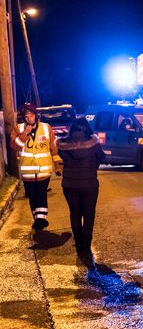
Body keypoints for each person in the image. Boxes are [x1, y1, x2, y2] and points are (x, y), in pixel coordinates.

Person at [57, 118, 105, 259]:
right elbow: (100, 158)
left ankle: (78, 245)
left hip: (69, 185)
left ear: (72, 130)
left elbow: (62, 158)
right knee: (89, 216)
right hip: (89, 184)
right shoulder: (93, 144)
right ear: (87, 129)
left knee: (75, 214)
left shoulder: (63, 145)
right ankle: (86, 247)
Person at [10, 103, 63, 231]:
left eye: (31, 115)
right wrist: (24, 134)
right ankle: (38, 218)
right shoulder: (19, 128)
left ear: (36, 115)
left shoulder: (46, 128)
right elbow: (14, 146)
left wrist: (58, 167)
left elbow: (54, 149)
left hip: (44, 171)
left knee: (41, 194)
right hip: (27, 172)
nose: (29, 118)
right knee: (33, 197)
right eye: (26, 115)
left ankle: (41, 219)